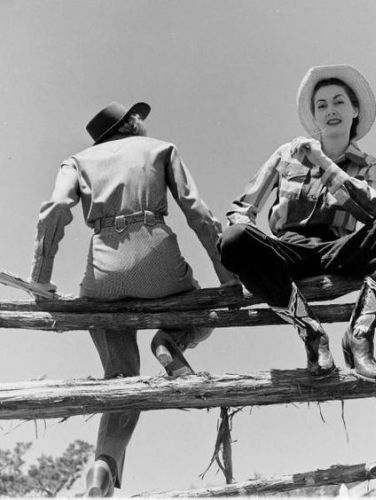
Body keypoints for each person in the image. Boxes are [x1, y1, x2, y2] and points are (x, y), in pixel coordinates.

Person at [29, 101, 234, 496]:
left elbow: (54, 208)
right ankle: (169, 341)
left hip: (104, 273)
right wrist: (228, 279)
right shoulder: (160, 149)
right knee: (205, 308)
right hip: (158, 262)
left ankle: (102, 468)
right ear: (132, 124)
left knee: (121, 377)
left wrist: (42, 278)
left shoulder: (76, 160)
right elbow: (197, 211)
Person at [218, 64, 376, 380]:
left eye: (338, 102)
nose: (330, 110)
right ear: (315, 116)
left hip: (342, 249)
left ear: (354, 110)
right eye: (322, 105)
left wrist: (323, 162)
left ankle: (360, 333)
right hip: (289, 251)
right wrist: (251, 247)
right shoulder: (286, 154)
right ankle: (311, 332)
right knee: (234, 239)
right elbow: (242, 209)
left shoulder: (369, 164)